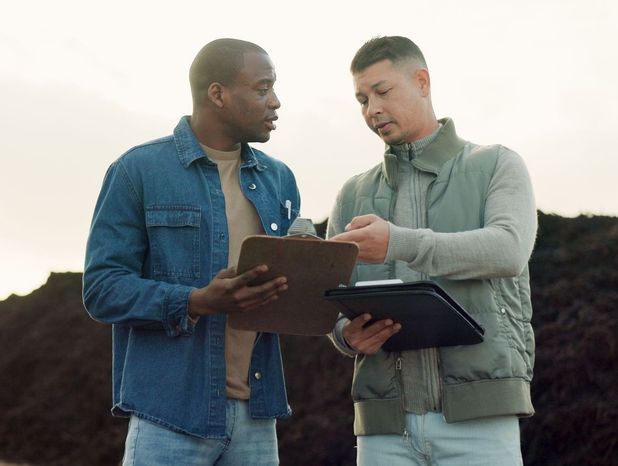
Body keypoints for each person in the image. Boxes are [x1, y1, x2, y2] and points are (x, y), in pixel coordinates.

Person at [83, 38, 300, 466]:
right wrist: (196, 301)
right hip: (169, 414)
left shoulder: (280, 180)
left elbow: (287, 296)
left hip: (258, 415)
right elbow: (102, 288)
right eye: (261, 88)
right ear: (217, 94)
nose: (275, 102)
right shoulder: (138, 171)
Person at [328, 36, 537, 466]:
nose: (372, 110)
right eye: (362, 99)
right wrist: (344, 336)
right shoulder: (351, 193)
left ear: (422, 82)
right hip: (383, 430)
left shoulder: (497, 163)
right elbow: (328, 293)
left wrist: (399, 242)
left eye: (382, 92)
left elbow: (509, 249)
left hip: (481, 421)